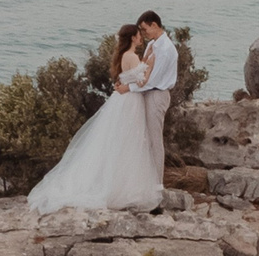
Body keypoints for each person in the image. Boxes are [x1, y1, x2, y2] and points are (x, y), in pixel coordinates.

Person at [26, 24, 163, 213]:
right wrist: (151, 66)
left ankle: (121, 183)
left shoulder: (125, 56)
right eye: (139, 35)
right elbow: (141, 81)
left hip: (123, 100)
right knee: (130, 141)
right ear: (133, 37)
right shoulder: (131, 56)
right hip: (131, 102)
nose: (141, 38)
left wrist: (145, 62)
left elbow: (130, 77)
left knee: (122, 141)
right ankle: (124, 187)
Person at [134, 11, 179, 176]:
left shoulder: (166, 48)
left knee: (154, 139)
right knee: (145, 138)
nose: (144, 34)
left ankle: (157, 182)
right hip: (147, 93)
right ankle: (146, 177)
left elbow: (153, 79)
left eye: (145, 29)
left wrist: (130, 88)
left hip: (157, 94)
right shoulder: (152, 45)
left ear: (154, 24)